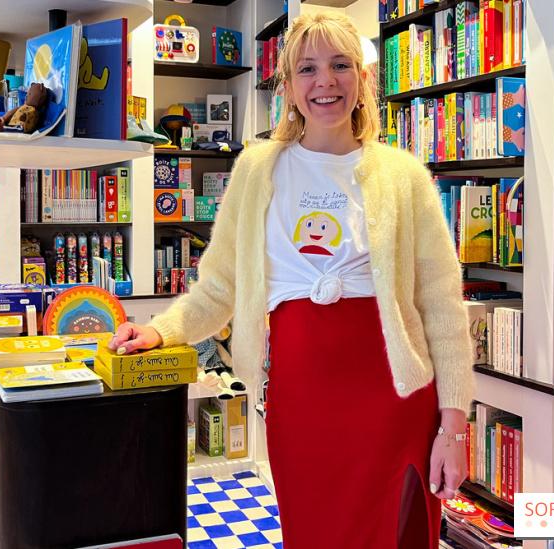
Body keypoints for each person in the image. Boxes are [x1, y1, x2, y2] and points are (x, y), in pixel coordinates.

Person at [109, 11, 474, 548]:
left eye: (340, 65)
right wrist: (162, 330)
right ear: (288, 86)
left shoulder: (405, 177)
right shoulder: (258, 171)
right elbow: (219, 288)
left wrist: (455, 428)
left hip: (395, 405)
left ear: (364, 80)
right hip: (300, 405)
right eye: (307, 68)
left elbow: (443, 309)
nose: (324, 81)